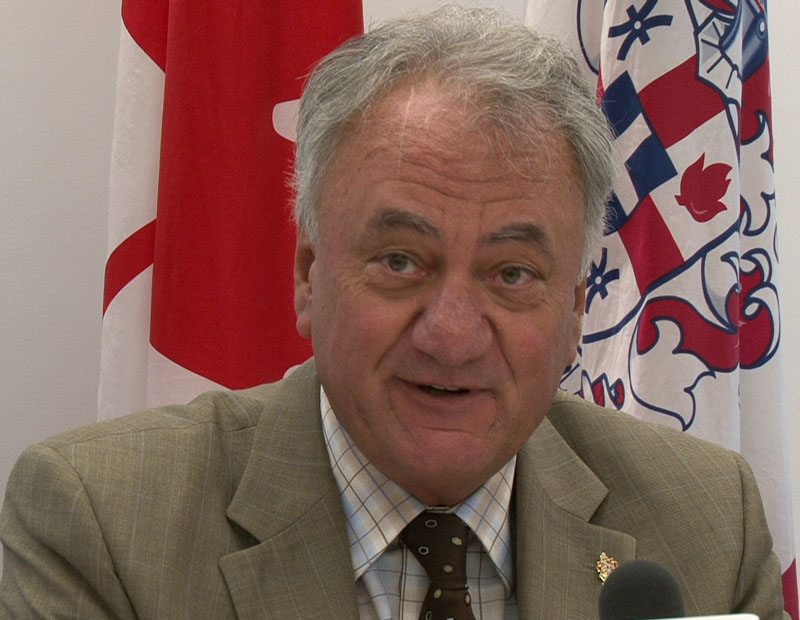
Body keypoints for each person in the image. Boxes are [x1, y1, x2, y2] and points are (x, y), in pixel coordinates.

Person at [0, 6, 788, 620]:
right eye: (401, 261)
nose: (452, 335)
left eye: (512, 274)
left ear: (577, 309)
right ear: (309, 277)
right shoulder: (102, 523)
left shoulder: (706, 521)